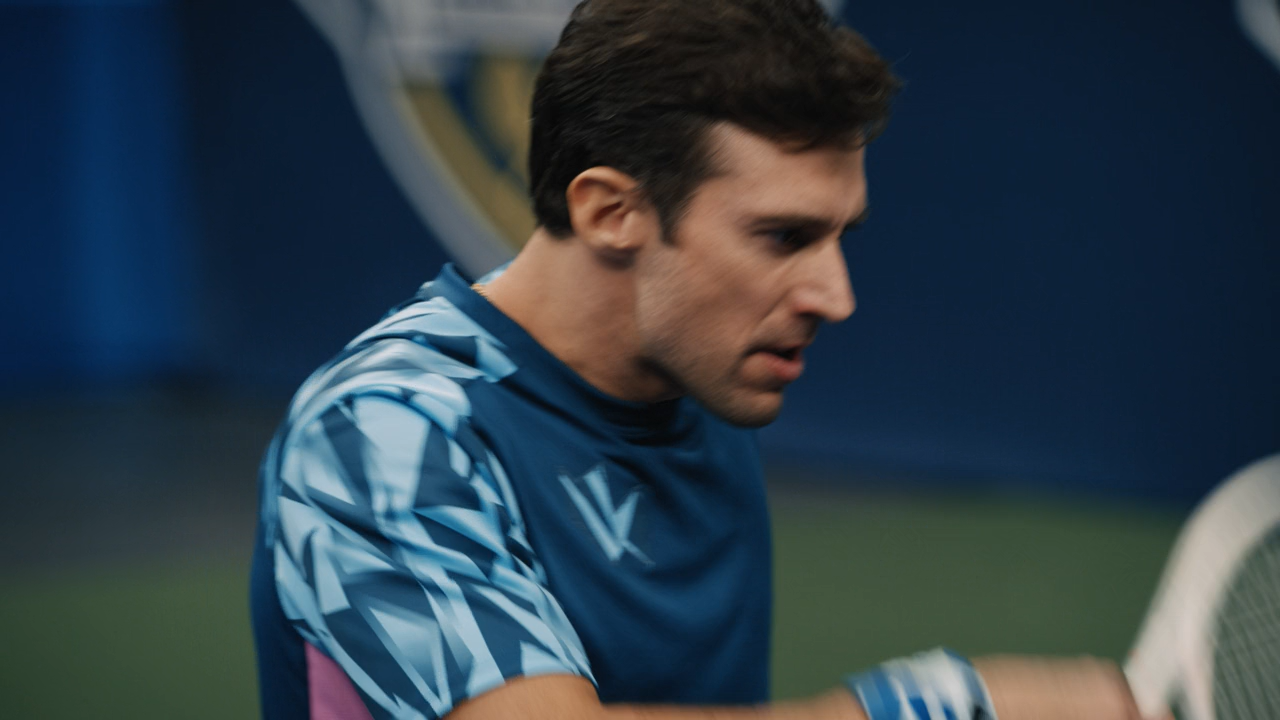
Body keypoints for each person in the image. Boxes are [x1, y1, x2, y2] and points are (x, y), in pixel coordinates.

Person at [251, 1, 1155, 718]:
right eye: (783, 237)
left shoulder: (693, 374)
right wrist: (928, 708)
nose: (835, 297)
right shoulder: (380, 431)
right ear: (610, 212)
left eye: (840, 237)